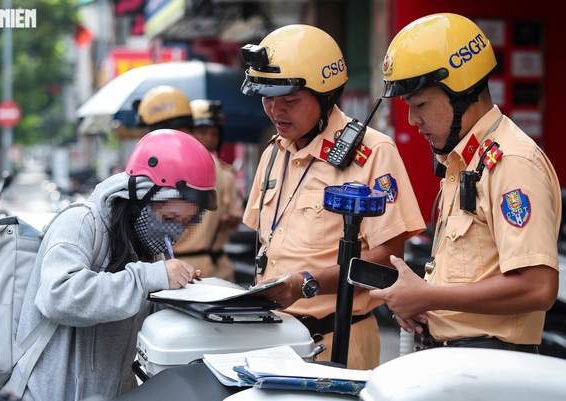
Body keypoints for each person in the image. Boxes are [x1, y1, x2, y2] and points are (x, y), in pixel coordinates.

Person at [370, 13, 561, 353]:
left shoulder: (511, 162)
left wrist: (427, 296)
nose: (413, 120)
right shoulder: (464, 160)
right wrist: (420, 303)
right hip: (456, 359)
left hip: (489, 364)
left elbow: (538, 287)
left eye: (420, 105)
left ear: (462, 94)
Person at [239, 24, 426, 370]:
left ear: (327, 96)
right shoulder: (272, 154)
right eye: (267, 98)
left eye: (290, 101)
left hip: (335, 341)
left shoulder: (373, 153)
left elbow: (386, 261)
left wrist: (306, 284)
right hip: (270, 341)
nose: (276, 111)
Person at [2, 129, 218, 400]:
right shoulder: (80, 223)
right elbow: (58, 296)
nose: (172, 233)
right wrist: (148, 278)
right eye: (169, 218)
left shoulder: (144, 244)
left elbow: (137, 313)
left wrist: (182, 295)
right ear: (139, 198)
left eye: (184, 224)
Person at [171, 99, 244, 281]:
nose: (209, 138)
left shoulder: (168, 166)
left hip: (182, 268)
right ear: (188, 132)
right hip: (205, 268)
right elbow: (235, 217)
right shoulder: (224, 172)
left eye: (214, 133)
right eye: (202, 132)